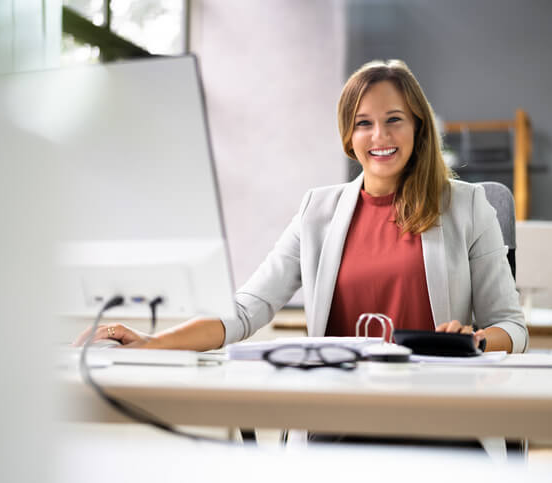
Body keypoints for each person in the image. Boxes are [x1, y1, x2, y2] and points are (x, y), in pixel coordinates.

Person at [74, 59, 527, 354]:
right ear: (348, 137)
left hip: (440, 406)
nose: (380, 137)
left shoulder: (468, 206)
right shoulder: (318, 211)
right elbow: (246, 310)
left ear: (418, 128)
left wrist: (478, 341)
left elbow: (512, 326)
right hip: (337, 408)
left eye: (394, 121)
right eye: (363, 124)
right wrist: (150, 343)